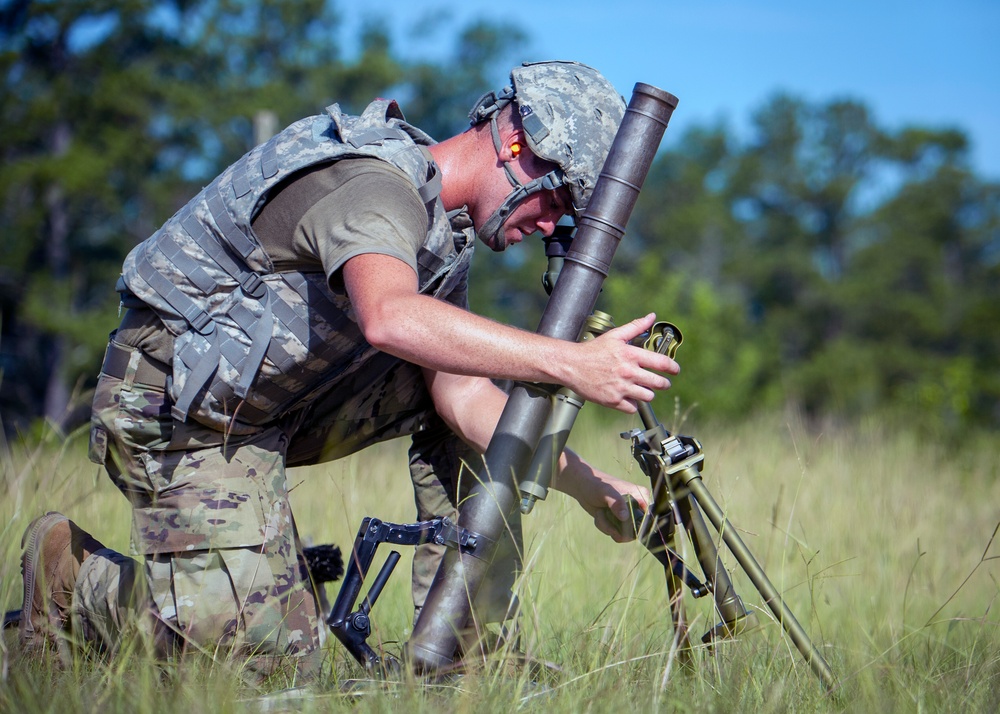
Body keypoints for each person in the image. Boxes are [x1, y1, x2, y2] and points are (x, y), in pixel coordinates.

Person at [17, 60, 679, 680]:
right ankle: (77, 584)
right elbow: (388, 318)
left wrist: (593, 488)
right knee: (265, 666)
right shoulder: (374, 185)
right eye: (559, 199)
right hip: (170, 414)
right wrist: (572, 363)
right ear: (515, 144)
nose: (551, 224)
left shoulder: (438, 236)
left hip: (261, 409)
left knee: (467, 367)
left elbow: (464, 398)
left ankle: (455, 659)